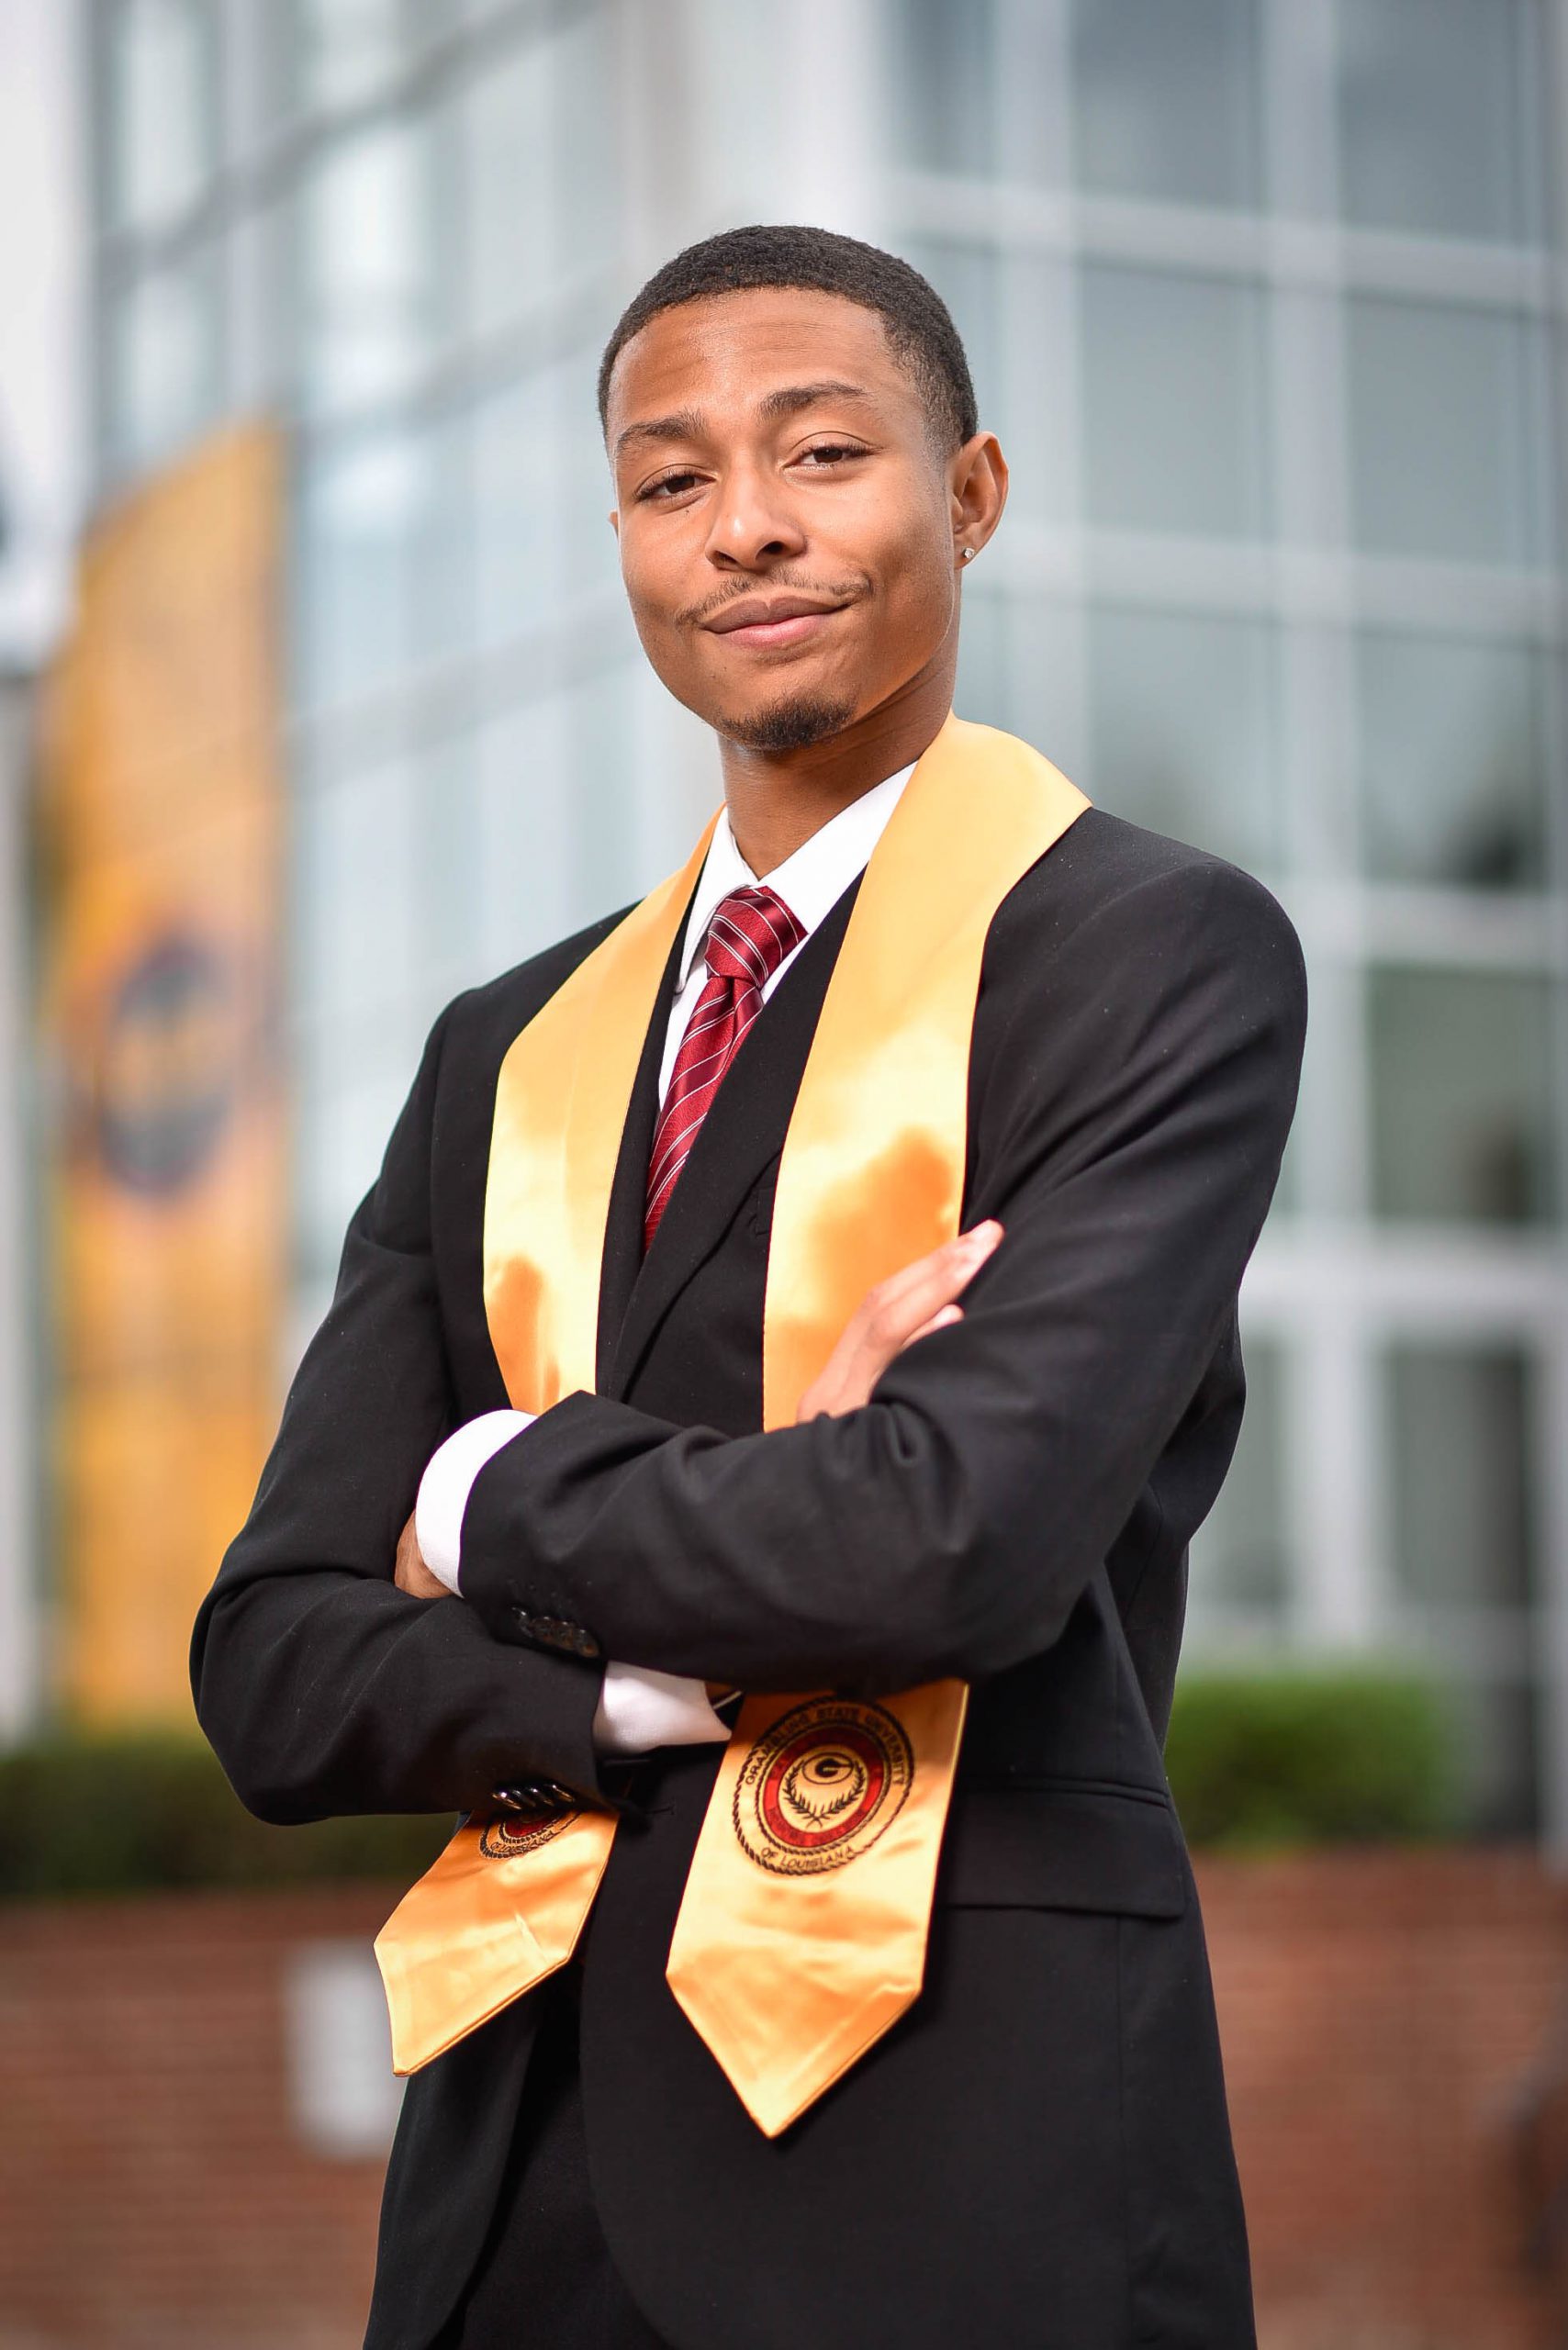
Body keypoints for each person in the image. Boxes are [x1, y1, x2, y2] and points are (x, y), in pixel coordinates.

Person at [191, 225, 1306, 2350]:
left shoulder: (1144, 958)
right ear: (619, 530)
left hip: (959, 2162)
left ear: (965, 493)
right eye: (673, 477)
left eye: (820, 452)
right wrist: (676, 1656)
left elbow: (946, 1539)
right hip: (514, 2184)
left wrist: (480, 1498)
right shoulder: (501, 1053)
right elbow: (268, 1662)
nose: (749, 530)